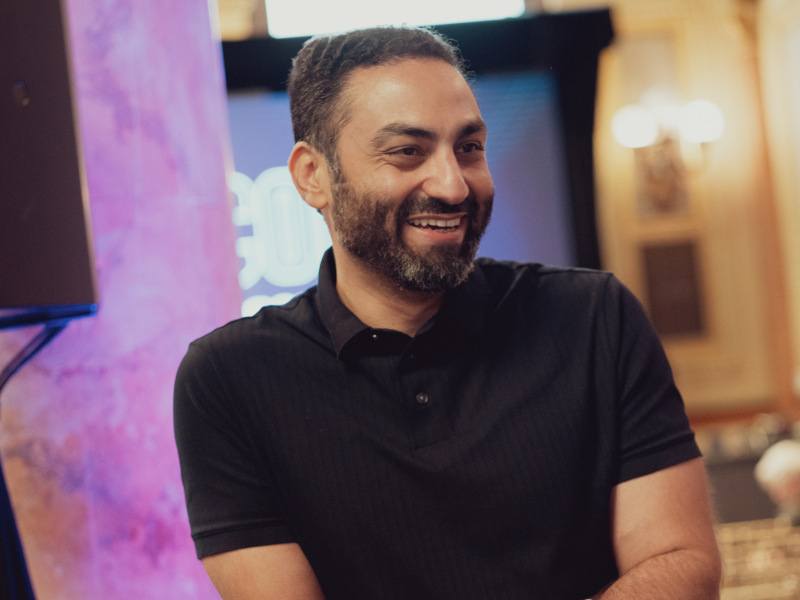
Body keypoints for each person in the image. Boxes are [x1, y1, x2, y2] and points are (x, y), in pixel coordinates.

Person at [174, 26, 721, 599]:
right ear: (314, 176)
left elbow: (681, 561)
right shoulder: (228, 378)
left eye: (469, 148)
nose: (454, 185)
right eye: (407, 151)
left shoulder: (594, 317)